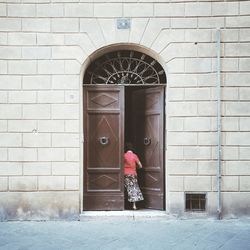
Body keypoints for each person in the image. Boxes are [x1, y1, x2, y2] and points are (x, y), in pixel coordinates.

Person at [124, 143, 144, 210]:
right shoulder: (134, 156)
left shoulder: (124, 155)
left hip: (125, 174)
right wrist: (135, 167)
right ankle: (134, 206)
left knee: (126, 188)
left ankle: (124, 204)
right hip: (133, 174)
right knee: (134, 188)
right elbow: (140, 166)